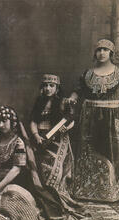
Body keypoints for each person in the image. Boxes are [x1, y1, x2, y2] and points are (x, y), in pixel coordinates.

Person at [67, 39, 119, 202]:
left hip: (112, 118)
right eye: (99, 50)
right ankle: (88, 188)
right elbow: (77, 91)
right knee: (88, 151)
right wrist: (71, 99)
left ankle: (113, 190)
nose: (101, 53)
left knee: (112, 150)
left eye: (105, 50)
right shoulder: (87, 74)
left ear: (111, 53)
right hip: (89, 117)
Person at [30, 74, 77, 206]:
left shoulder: (63, 102)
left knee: (53, 167)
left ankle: (54, 195)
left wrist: (58, 133)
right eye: (45, 85)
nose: (48, 88)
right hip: (39, 139)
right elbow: (33, 121)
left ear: (57, 88)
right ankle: (42, 196)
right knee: (36, 166)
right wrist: (36, 135)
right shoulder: (39, 102)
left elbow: (70, 122)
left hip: (58, 139)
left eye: (51, 85)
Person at [0, 106, 30, 195]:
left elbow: (16, 169)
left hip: (13, 185)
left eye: (4, 121)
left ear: (13, 122)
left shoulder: (18, 142)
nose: (1, 125)